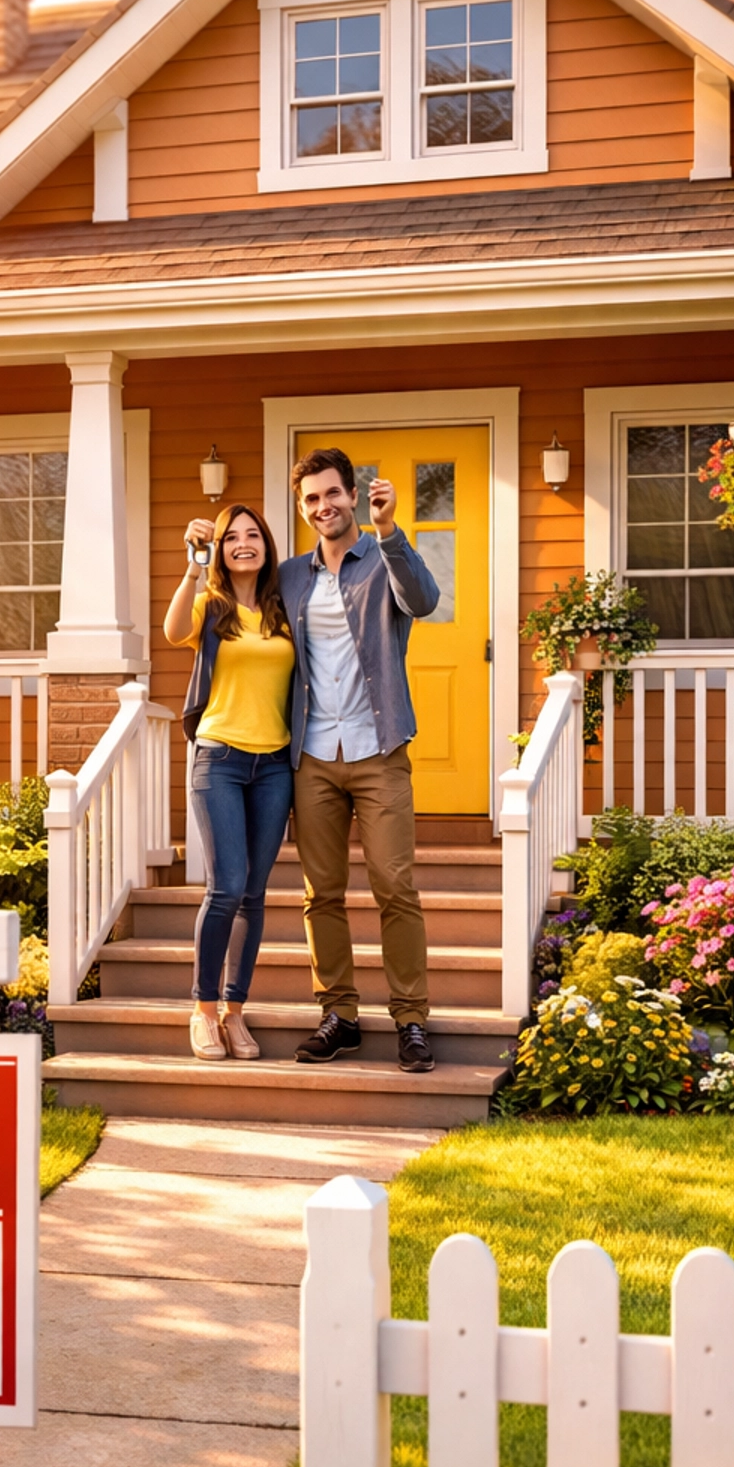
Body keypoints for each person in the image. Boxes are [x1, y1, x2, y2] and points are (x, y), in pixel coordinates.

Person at [278, 447, 439, 1074]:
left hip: (379, 747)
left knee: (395, 886)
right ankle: (339, 1015)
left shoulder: (384, 556)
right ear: (303, 508)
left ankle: (412, 1019)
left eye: (333, 494)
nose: (324, 507)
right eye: (312, 499)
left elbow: (422, 601)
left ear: (353, 495)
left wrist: (391, 531)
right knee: (321, 894)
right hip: (313, 751)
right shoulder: (291, 576)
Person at [165, 501, 295, 1062]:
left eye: (253, 535)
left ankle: (236, 1014)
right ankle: (203, 1010)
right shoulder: (210, 606)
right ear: (220, 550)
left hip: (274, 765)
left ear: (266, 545)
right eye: (231, 537)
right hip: (218, 758)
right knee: (226, 886)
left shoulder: (284, 610)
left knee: (254, 894)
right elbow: (172, 632)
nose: (243, 543)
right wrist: (193, 565)